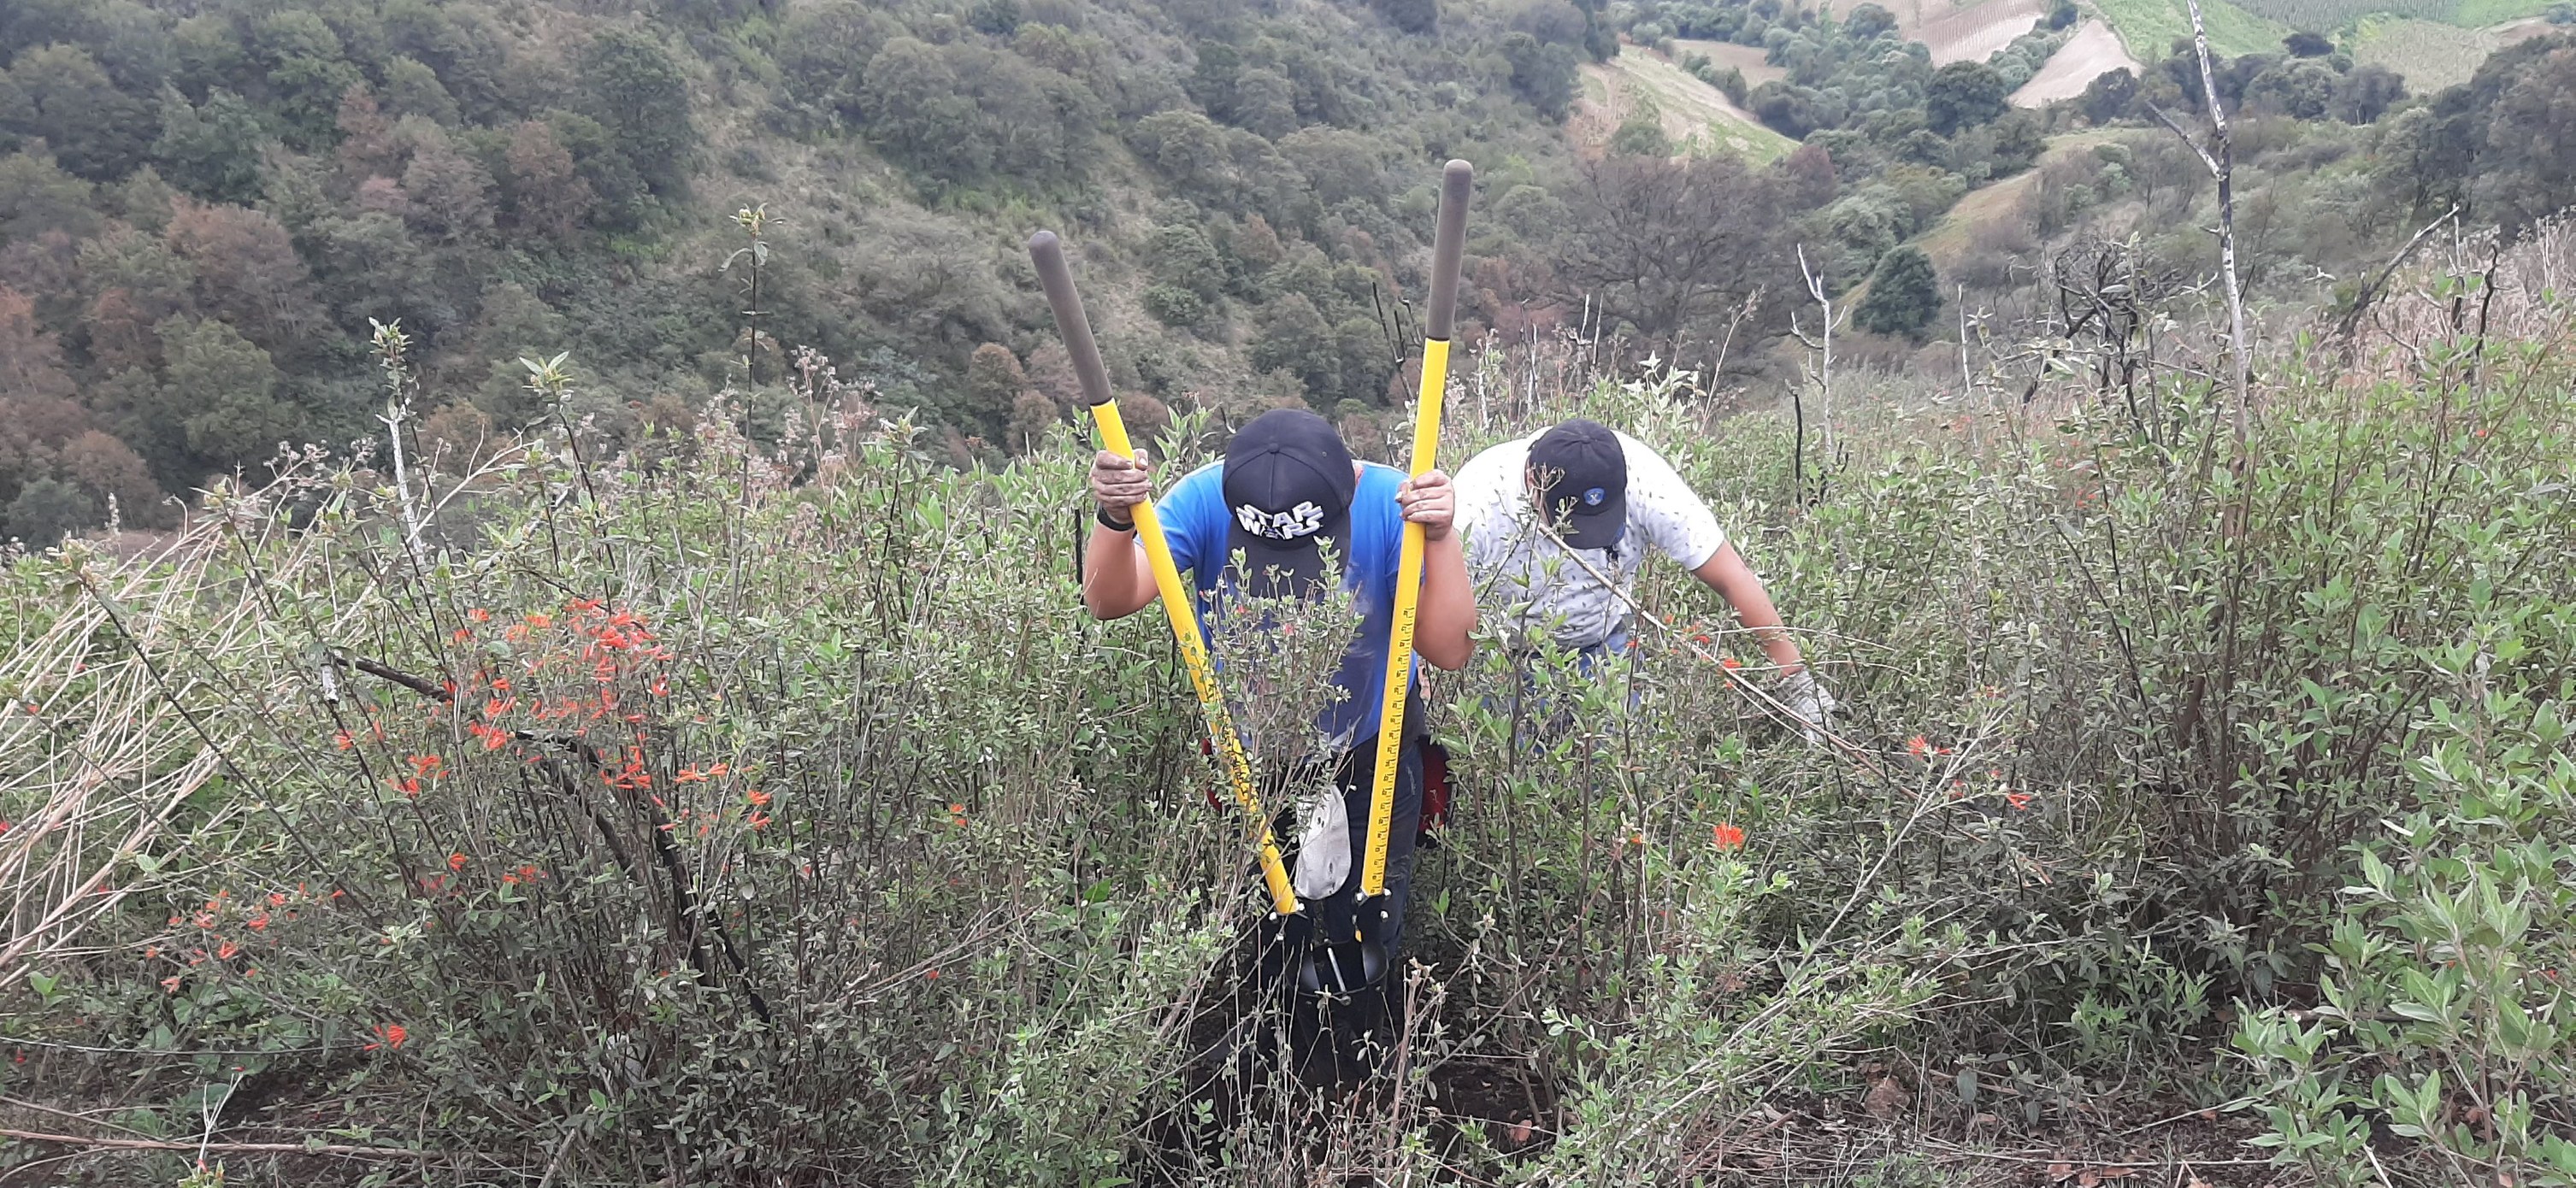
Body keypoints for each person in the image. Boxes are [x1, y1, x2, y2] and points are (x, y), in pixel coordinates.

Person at [1082, 408, 1475, 1003]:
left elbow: (1447, 649)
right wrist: (1115, 517)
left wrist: (1441, 538)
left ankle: (1360, 1042)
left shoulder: (1391, 507)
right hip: (1251, 754)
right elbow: (1110, 599)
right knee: (1267, 918)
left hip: (1374, 743)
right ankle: (1276, 1039)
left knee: (1370, 919)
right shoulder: (1203, 498)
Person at [1453, 418, 1834, 738]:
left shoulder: (1645, 481)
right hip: (1505, 659)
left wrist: (1796, 681)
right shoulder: (1480, 501)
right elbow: (1430, 600)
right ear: (1535, 484)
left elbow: (1732, 577)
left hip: (1604, 647)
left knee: (1616, 778)